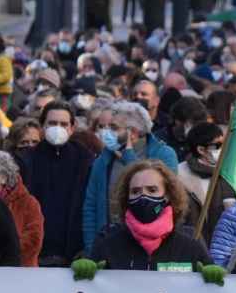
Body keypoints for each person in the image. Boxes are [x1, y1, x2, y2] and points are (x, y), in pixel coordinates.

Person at [82, 101, 178, 253]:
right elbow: (90, 207)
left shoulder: (164, 154)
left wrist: (129, 156)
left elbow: (171, 199)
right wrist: (90, 250)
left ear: (132, 132)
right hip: (109, 245)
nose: (106, 132)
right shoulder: (103, 160)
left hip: (152, 246)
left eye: (113, 127)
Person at [83, 160, 210, 271]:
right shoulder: (108, 241)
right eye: (135, 191)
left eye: (152, 190)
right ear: (126, 197)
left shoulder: (191, 241)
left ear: (167, 195)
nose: (143, 196)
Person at [23, 102, 93, 267]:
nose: (58, 128)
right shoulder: (28, 160)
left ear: (72, 128)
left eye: (63, 124)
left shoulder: (85, 159)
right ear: (42, 126)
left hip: (74, 253)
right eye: (52, 123)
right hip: (38, 253)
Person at [0, 151, 43, 267]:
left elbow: (34, 240)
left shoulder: (28, 203)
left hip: (21, 272)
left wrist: (3, 251)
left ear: (3, 177)